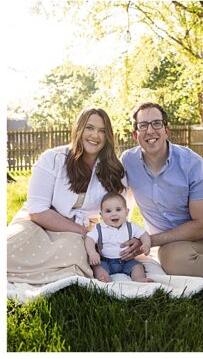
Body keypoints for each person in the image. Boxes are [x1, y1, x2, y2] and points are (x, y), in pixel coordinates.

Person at [118, 102, 203, 277]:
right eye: (143, 125)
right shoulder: (128, 162)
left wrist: (148, 240)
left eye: (156, 123)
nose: (150, 131)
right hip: (172, 245)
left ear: (167, 130)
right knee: (173, 260)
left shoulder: (191, 162)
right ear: (135, 134)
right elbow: (119, 202)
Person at [7, 107, 126, 284]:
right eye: (90, 128)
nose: (95, 135)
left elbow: (120, 213)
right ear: (79, 129)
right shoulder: (53, 158)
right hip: (39, 222)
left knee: (74, 250)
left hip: (78, 233)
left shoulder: (113, 169)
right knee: (10, 247)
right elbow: (37, 210)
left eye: (102, 131)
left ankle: (56, 277)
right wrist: (83, 232)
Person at [84, 192, 153, 283]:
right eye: (108, 211)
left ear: (126, 212)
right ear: (101, 215)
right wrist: (92, 253)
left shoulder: (130, 226)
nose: (113, 214)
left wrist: (146, 244)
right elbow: (89, 239)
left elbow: (144, 234)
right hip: (106, 261)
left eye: (118, 209)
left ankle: (138, 279)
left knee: (137, 266)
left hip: (127, 261)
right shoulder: (100, 228)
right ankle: (104, 278)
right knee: (97, 267)